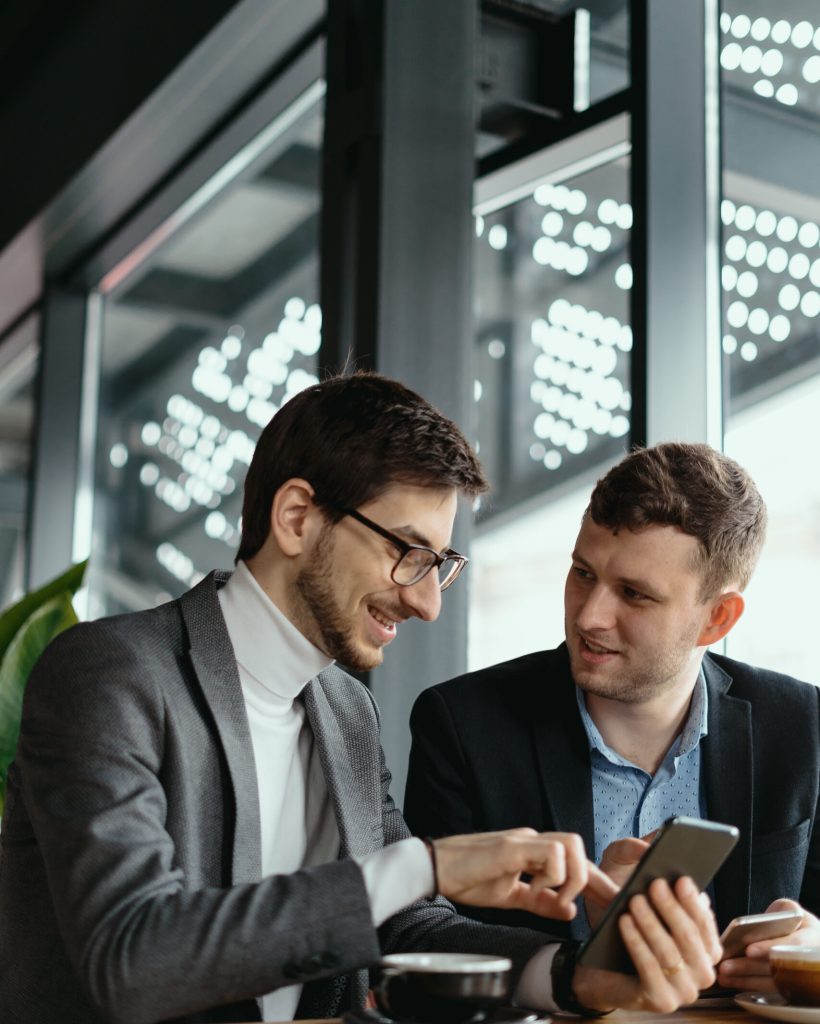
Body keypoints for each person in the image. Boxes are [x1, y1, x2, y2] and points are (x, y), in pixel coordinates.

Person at [0, 378, 721, 1024]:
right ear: (296, 518)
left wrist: (574, 976)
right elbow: (133, 960)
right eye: (407, 552)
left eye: (439, 565)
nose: (427, 601)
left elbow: (405, 925)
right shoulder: (109, 673)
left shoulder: (345, 710)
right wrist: (429, 865)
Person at [405, 441, 820, 994]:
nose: (590, 615)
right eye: (583, 573)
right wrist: (582, 969)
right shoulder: (462, 725)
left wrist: (811, 949)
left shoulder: (803, 726)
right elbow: (420, 939)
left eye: (633, 594)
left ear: (717, 619)